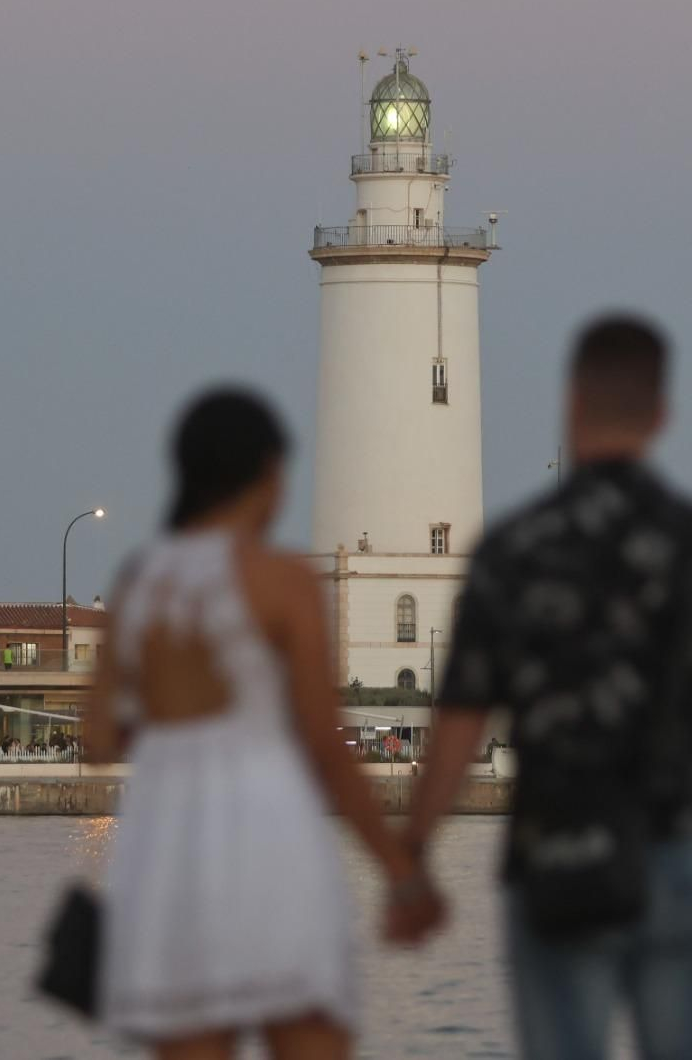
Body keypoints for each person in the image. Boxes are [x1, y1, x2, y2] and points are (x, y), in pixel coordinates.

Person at [402, 315, 692, 1060]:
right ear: (662, 415)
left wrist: (413, 858)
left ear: (571, 402)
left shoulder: (512, 552)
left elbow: (457, 728)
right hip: (691, 852)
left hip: (560, 859)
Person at [81, 388, 438, 1059]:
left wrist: (170, 729)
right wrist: (401, 872)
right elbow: (326, 748)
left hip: (166, 850)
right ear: (269, 474)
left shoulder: (137, 582)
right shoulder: (280, 578)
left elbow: (97, 740)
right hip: (267, 841)